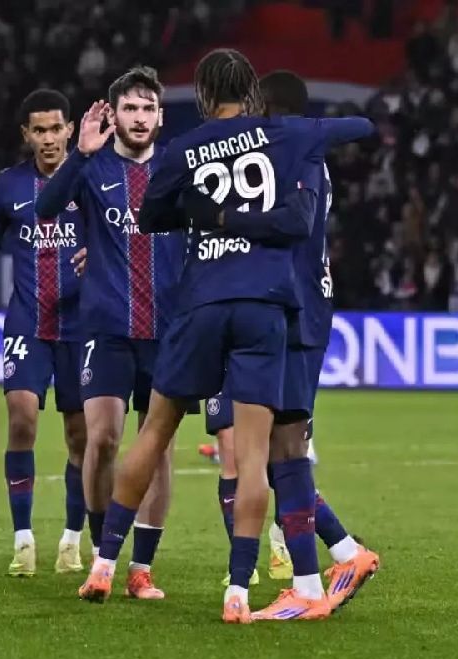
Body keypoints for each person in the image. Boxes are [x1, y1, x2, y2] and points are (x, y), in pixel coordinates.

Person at [76, 48, 374, 623]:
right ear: (254, 93)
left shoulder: (185, 147)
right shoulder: (284, 138)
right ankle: (241, 590)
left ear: (206, 95)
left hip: (203, 300)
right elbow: (362, 126)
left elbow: (153, 215)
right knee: (258, 453)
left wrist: (205, 215)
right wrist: (296, 131)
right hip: (267, 304)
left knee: (155, 431)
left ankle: (105, 563)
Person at [35, 67, 187, 600]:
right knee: (101, 439)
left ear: (160, 117)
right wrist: (78, 151)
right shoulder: (93, 165)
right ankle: (104, 555)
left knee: (159, 447)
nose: (140, 118)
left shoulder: (178, 168)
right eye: (131, 109)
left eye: (148, 109)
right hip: (105, 325)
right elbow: (45, 208)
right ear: (114, 115)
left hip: (167, 331)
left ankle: (141, 568)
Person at [0, 90, 88, 577]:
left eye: (57, 128)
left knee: (80, 436)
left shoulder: (90, 177)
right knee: (22, 418)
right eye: (40, 130)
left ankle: (72, 541)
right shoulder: (10, 185)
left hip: (81, 326)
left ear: (70, 129)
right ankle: (23, 539)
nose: (49, 138)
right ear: (26, 135)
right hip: (27, 322)